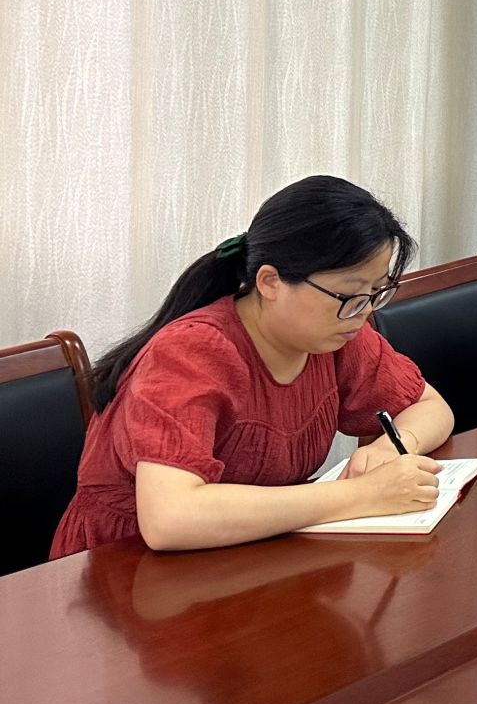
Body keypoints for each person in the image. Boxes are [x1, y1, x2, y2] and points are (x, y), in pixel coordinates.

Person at [52, 176, 454, 556]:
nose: (364, 312)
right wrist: (362, 495)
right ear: (270, 282)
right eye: (349, 295)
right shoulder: (191, 352)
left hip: (252, 554)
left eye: (377, 291)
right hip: (126, 568)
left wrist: (390, 447)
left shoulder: (334, 335)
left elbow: (431, 407)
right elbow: (170, 519)